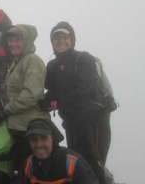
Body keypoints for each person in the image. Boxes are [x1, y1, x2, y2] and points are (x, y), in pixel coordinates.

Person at [43, 21, 112, 184]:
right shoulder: (52, 66)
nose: (60, 41)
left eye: (64, 37)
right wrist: (43, 102)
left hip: (93, 122)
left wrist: (57, 100)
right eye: (56, 38)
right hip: (71, 122)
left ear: (72, 40)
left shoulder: (84, 59)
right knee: (77, 162)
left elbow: (86, 90)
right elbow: (52, 93)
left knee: (93, 162)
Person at [0, 25, 50, 176]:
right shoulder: (17, 61)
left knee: (32, 173)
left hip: (31, 128)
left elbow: (31, 94)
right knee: (22, 172)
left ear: (26, 41)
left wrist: (7, 110)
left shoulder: (32, 61)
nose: (13, 44)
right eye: (10, 40)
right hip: (18, 127)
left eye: (18, 40)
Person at [23, 119, 99, 184]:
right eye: (34, 139)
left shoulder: (72, 163)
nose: (39, 144)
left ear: (53, 139)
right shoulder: (29, 164)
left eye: (44, 138)